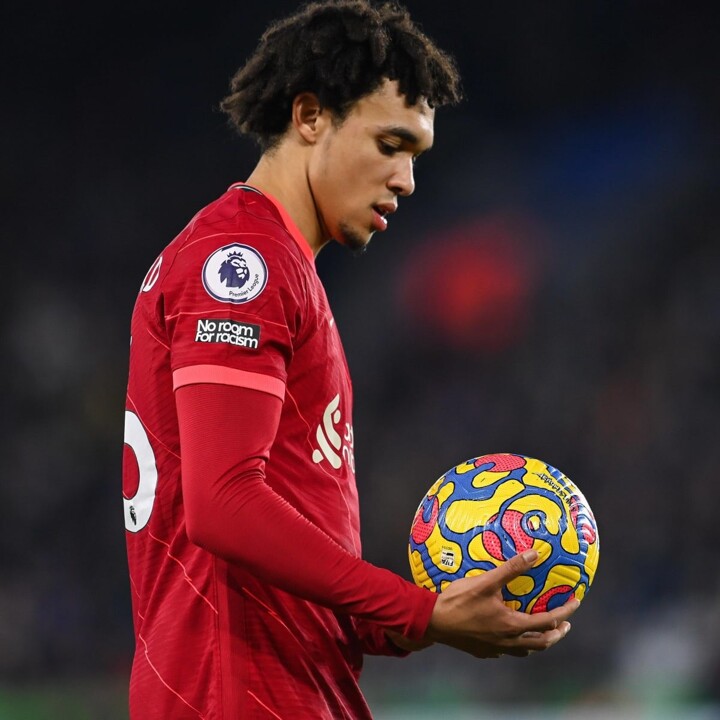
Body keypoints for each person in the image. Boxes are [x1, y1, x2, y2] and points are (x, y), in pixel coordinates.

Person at [122, 2, 579, 718]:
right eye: (391, 144)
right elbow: (224, 504)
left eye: (417, 156)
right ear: (310, 116)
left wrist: (421, 617)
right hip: (234, 697)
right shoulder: (240, 263)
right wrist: (418, 611)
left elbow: (285, 555)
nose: (407, 180)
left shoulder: (283, 268)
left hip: (289, 691)